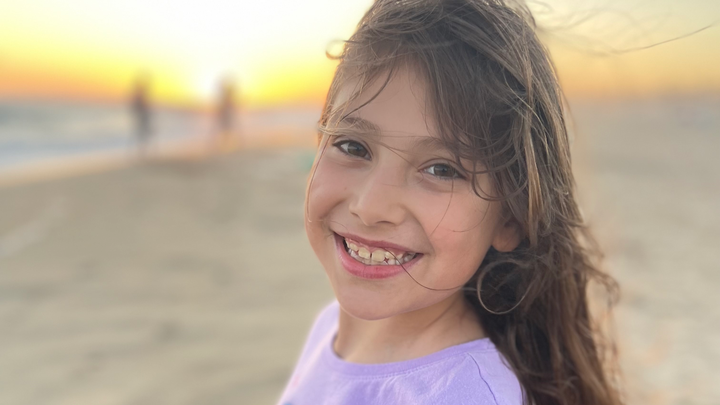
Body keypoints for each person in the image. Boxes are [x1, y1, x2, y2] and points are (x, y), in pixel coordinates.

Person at [278, 1, 622, 404]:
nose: (370, 207)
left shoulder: (465, 395)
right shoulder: (331, 326)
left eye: (441, 170)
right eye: (352, 146)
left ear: (509, 219)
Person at [130, 73, 152, 155]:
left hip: (143, 116)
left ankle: (143, 150)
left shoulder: (139, 96)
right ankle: (142, 151)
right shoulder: (139, 97)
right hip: (142, 117)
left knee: (143, 133)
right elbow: (136, 107)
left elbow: (137, 107)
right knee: (142, 133)